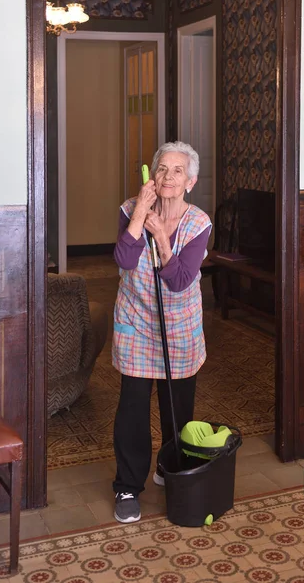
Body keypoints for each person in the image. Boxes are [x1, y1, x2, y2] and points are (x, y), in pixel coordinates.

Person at [112, 141, 212, 523]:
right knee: (133, 408)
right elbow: (123, 258)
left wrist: (164, 239)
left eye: (177, 171)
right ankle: (127, 484)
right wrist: (141, 213)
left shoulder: (199, 223)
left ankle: (171, 467)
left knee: (177, 409)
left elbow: (179, 280)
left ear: (191, 181)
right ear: (152, 176)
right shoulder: (128, 209)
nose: (168, 176)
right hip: (136, 321)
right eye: (162, 169)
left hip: (179, 324)